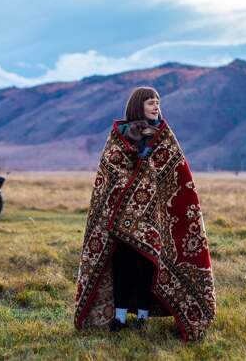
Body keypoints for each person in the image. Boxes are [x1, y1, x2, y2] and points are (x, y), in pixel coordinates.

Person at [74, 86, 217, 341]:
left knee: (145, 266)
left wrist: (146, 173)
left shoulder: (163, 136)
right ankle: (118, 317)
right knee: (121, 266)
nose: (156, 107)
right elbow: (110, 172)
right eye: (151, 102)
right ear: (138, 105)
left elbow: (175, 173)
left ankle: (141, 317)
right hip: (119, 222)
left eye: (158, 102)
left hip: (152, 221)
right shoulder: (119, 135)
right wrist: (138, 174)